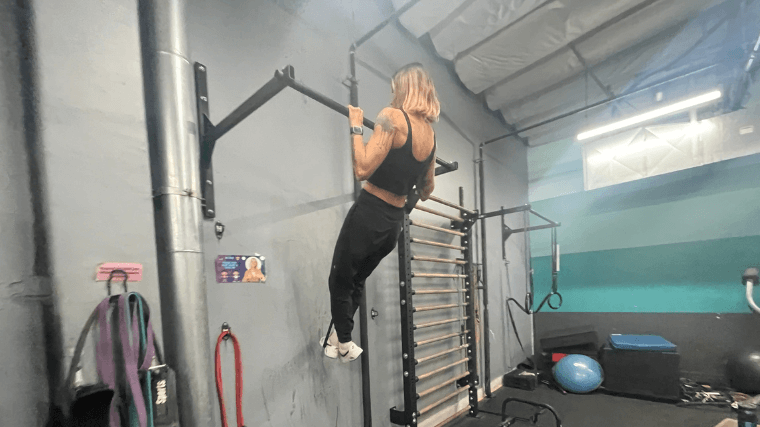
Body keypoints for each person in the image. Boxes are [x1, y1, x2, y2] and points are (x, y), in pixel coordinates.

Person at [320, 63, 439, 362]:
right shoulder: (430, 136)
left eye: (394, 88)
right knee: (356, 280)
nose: (393, 94)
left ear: (404, 88)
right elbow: (427, 190)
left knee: (340, 279)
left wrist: (356, 125)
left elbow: (362, 169)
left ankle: (345, 344)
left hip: (369, 214)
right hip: (392, 226)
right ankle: (338, 338)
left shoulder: (392, 117)